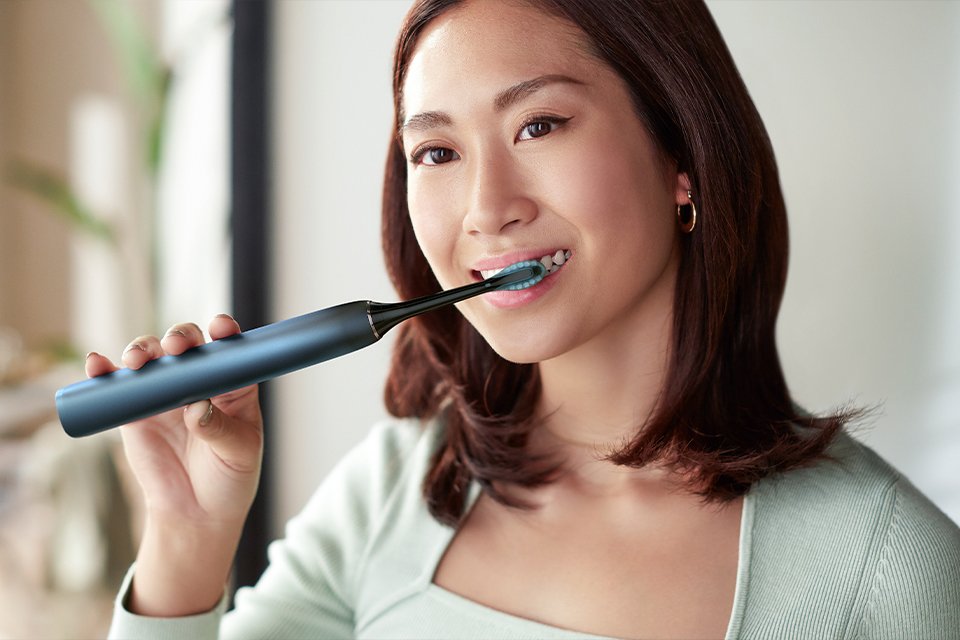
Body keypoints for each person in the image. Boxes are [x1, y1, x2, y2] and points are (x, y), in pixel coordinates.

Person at [95, 0, 960, 638]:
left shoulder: (887, 567)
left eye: (540, 125)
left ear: (682, 158)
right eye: (436, 151)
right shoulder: (397, 485)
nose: (485, 207)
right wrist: (187, 540)